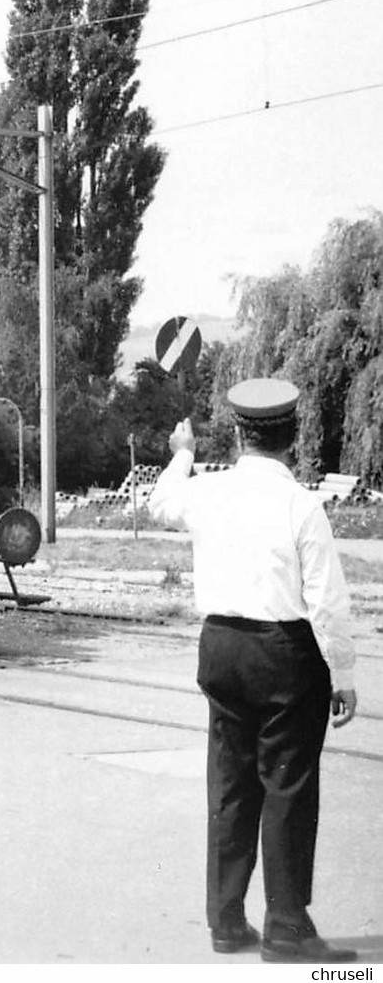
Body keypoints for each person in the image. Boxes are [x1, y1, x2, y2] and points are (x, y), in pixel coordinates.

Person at [148, 378, 358, 964]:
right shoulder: (301, 505)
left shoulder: (208, 493)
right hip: (284, 653)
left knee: (230, 782)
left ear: (240, 434)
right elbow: (325, 599)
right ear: (293, 438)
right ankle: (287, 926)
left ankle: (226, 920)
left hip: (220, 647)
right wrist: (341, 670)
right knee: (286, 787)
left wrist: (183, 452)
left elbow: (161, 502)